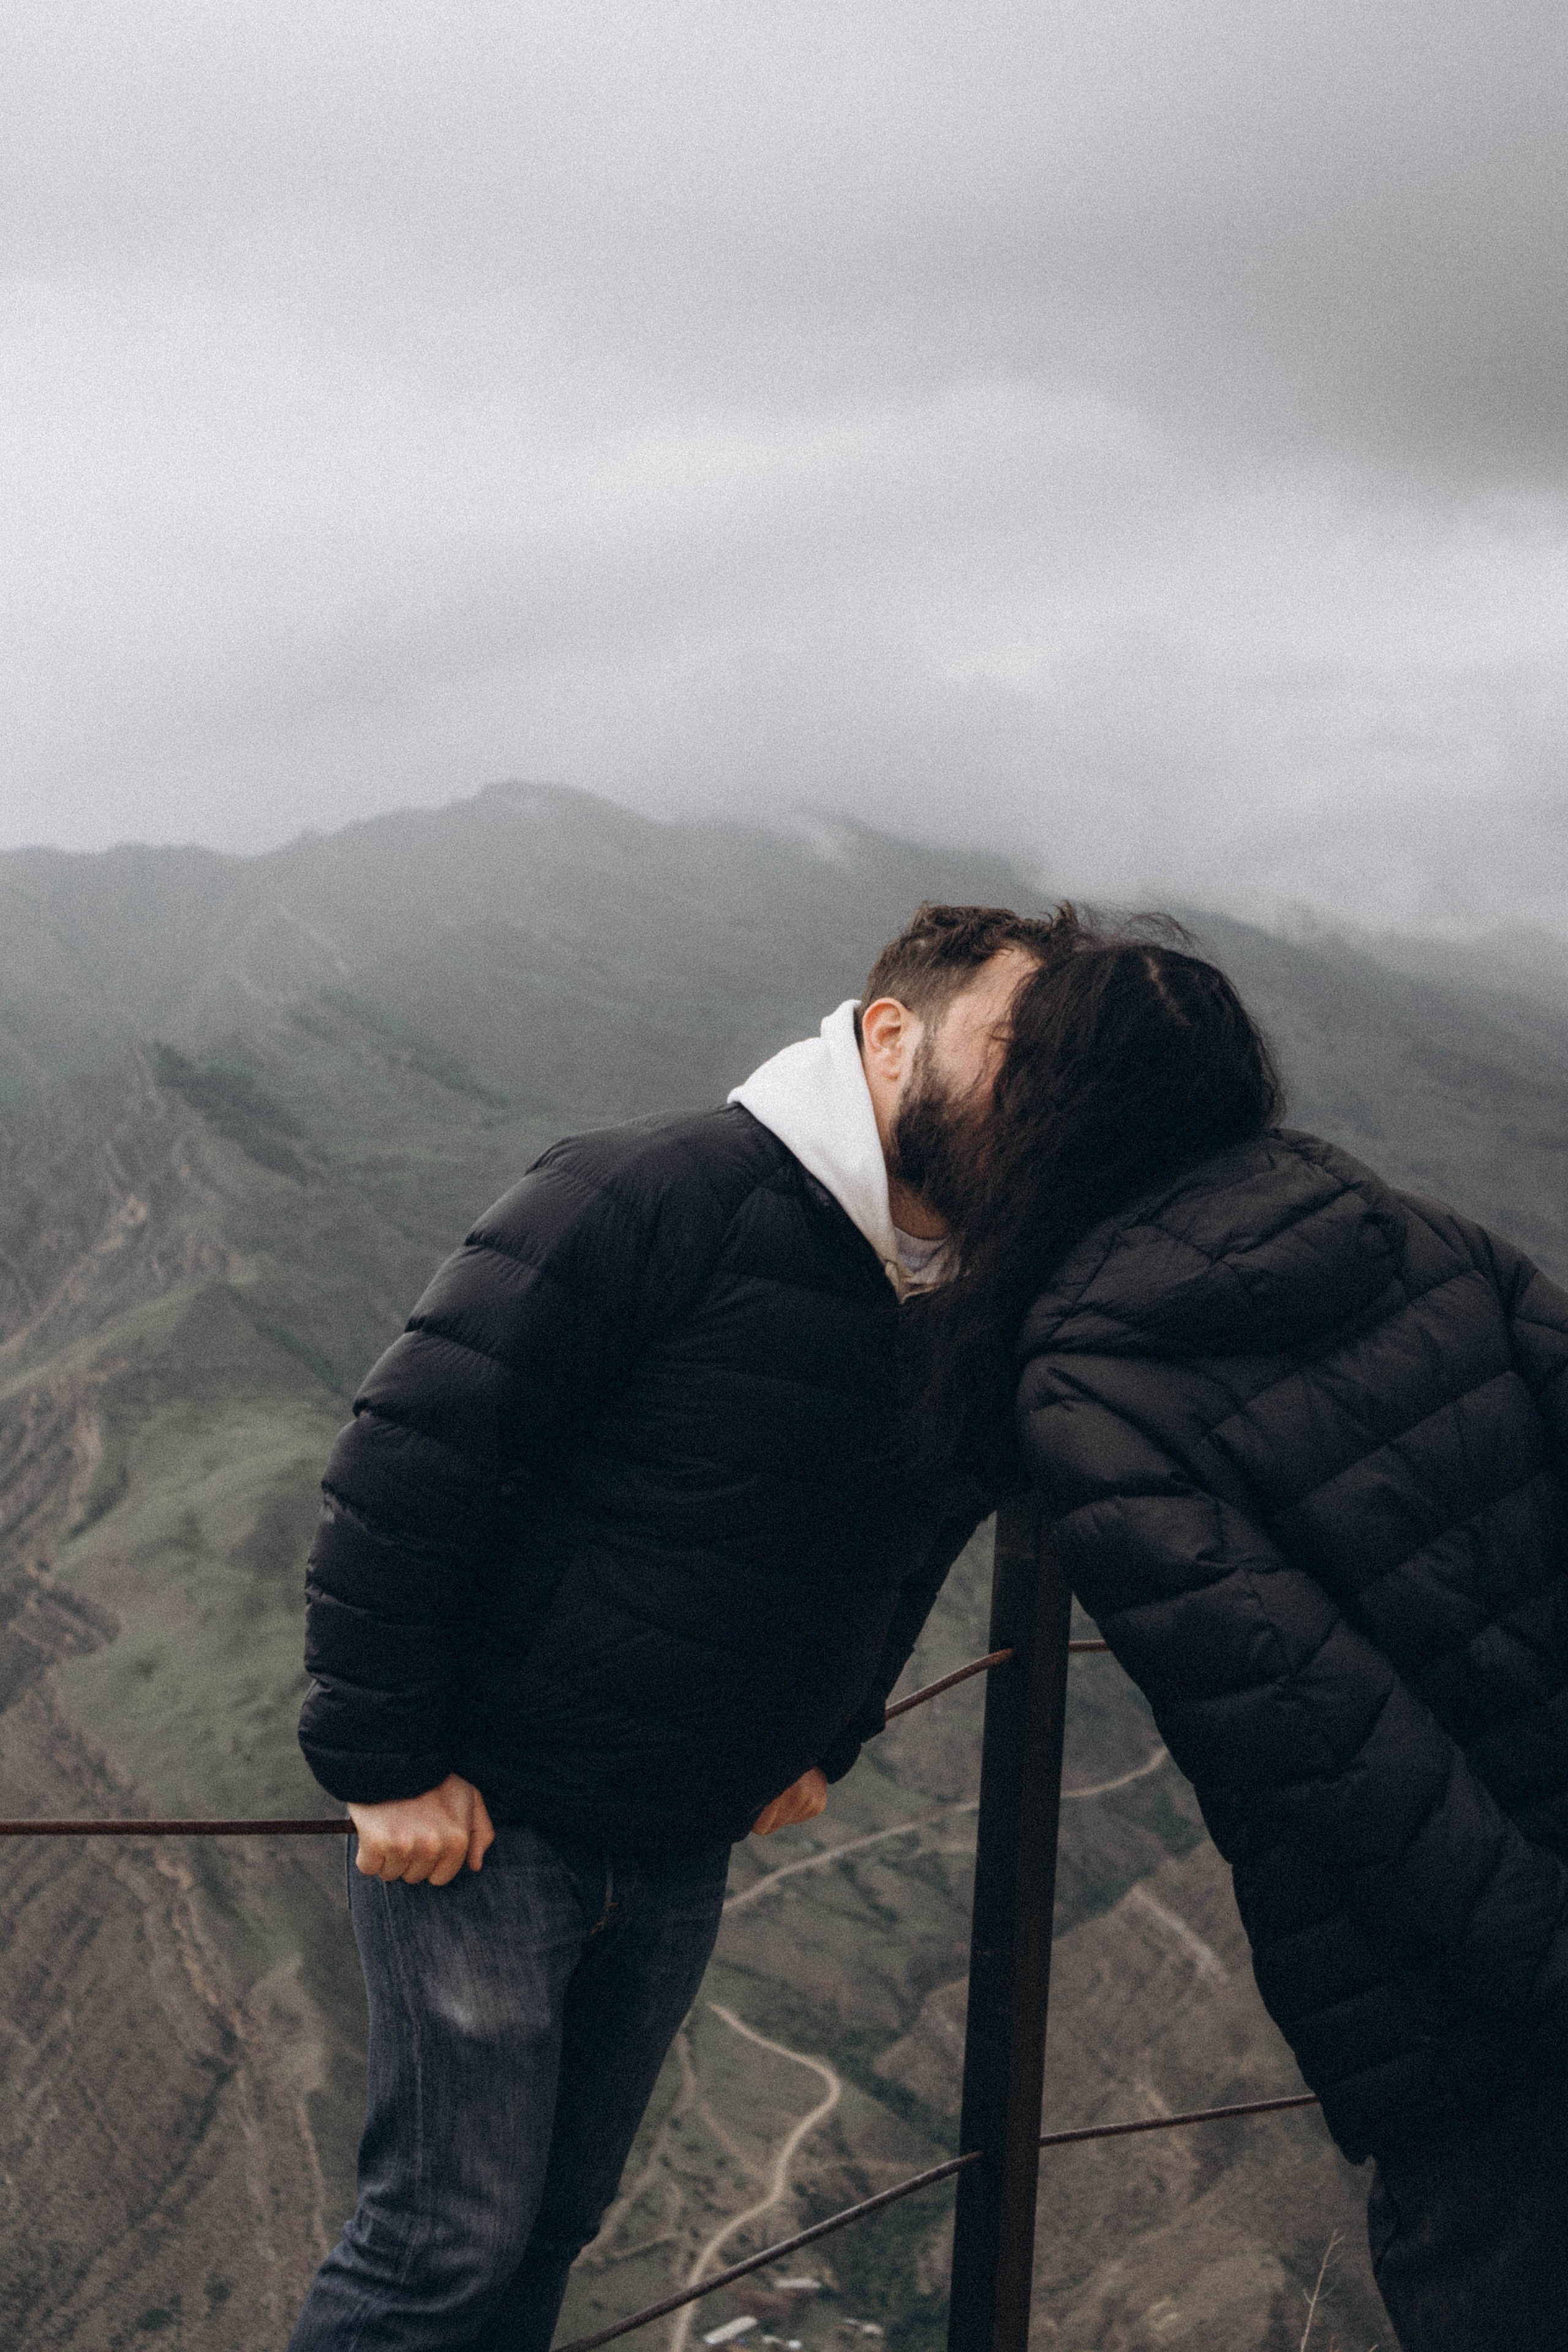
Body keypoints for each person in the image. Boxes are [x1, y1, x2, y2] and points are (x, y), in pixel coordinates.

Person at [286, 903, 1054, 2352]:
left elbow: (919, 1531)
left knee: (547, 2237)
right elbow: (408, 1456)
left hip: (682, 1840)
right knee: (436, 2250)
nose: (1042, 1096)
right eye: (1016, 1047)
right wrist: (379, 1760)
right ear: (890, 1038)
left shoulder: (961, 1290)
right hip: (487, 1827)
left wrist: (830, 1732)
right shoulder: (648, 1190)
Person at [916, 907, 1568, 2352]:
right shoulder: (1415, 1230)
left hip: (1468, 2009)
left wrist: (1537, 1964)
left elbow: (1309, 1732)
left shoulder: (1086, 1379)